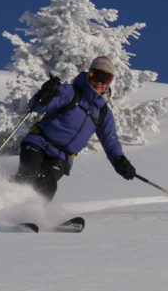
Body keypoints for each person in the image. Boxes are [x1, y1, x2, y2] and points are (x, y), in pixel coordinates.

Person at [13, 55, 136, 201]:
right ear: (89, 74)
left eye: (105, 79)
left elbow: (111, 140)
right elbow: (37, 106)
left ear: (110, 82)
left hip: (62, 156)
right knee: (28, 173)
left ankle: (31, 214)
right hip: (39, 142)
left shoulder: (103, 113)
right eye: (96, 75)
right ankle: (6, 204)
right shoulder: (70, 92)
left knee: (47, 184)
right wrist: (45, 94)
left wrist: (120, 161)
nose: (99, 82)